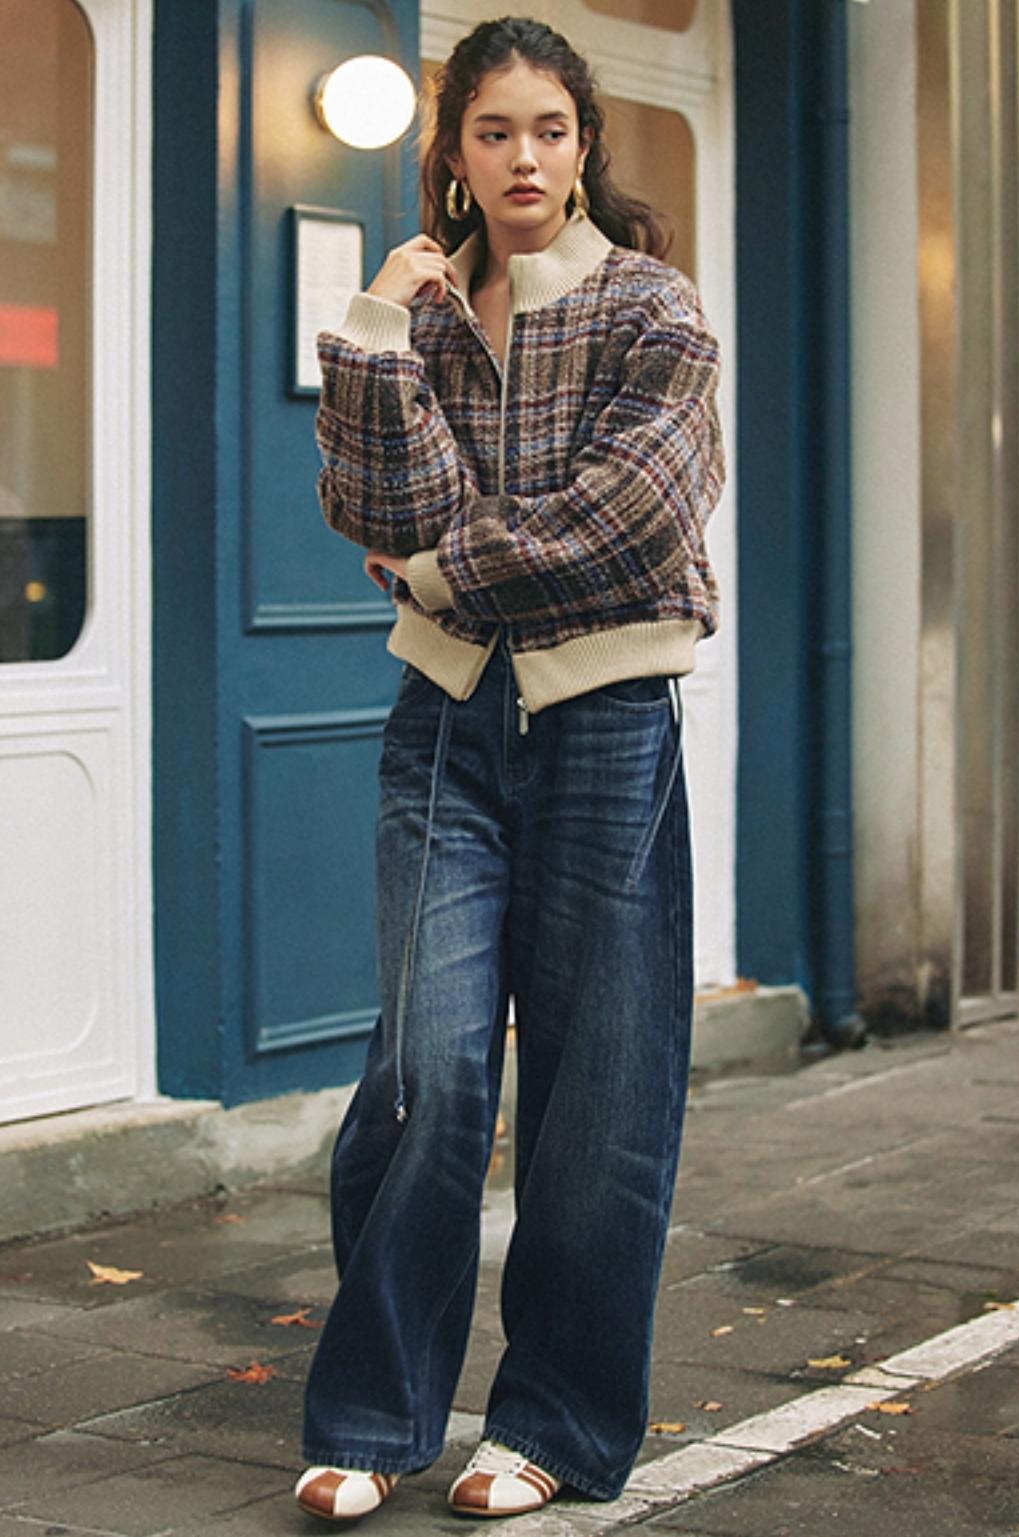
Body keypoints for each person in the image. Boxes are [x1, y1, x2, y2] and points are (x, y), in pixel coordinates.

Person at [295, 15, 725, 1524]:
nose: (523, 157)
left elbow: (633, 516)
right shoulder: (418, 310)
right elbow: (372, 498)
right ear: (457, 153)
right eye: (494, 132)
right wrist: (371, 328)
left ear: (583, 143)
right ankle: (372, 1417)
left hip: (606, 723)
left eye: (548, 129)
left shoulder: (653, 308)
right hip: (445, 726)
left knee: (599, 1095)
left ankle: (551, 1425)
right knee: (424, 1070)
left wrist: (430, 572)